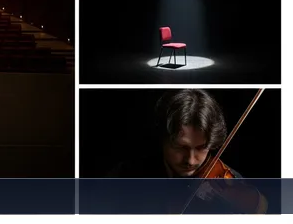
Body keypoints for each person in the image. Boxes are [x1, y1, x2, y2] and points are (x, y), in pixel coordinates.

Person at [108, 89, 267, 214]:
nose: (191, 160)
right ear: (163, 138)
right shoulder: (126, 175)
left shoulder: (225, 180)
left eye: (201, 147)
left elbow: (261, 208)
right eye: (180, 147)